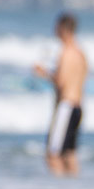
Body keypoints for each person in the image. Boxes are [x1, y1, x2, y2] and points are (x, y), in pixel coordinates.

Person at [33, 12, 87, 176]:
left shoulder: (65, 53)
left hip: (65, 106)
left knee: (53, 154)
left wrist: (44, 73)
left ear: (63, 29)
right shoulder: (81, 53)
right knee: (70, 153)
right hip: (78, 106)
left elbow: (61, 81)